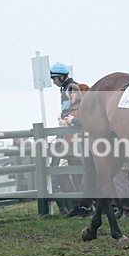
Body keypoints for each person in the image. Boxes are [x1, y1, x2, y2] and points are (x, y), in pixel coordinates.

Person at [50, 62, 93, 217]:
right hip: (67, 135)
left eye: (54, 78)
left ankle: (76, 206)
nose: (53, 81)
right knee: (63, 170)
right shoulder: (65, 89)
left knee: (69, 171)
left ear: (62, 76)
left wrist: (67, 120)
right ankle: (73, 205)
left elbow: (76, 112)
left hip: (73, 137)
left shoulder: (73, 88)